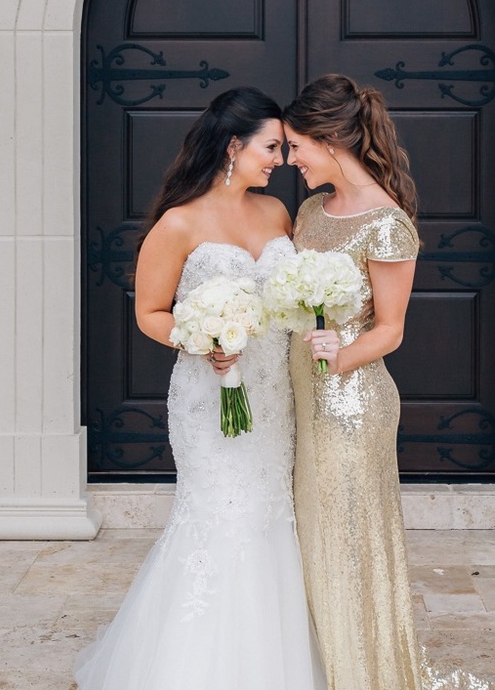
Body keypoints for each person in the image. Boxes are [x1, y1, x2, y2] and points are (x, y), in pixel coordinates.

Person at [74, 87, 325, 690]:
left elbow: (291, 295)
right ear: (233, 146)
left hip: (270, 393)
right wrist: (204, 340)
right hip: (208, 395)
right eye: (271, 147)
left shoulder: (276, 214)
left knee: (269, 514)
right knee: (220, 516)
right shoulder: (178, 223)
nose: (280, 160)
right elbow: (151, 312)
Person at [283, 74, 489, 690]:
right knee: (309, 534)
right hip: (299, 394)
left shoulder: (388, 223)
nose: (291, 160)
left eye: (297, 146)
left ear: (328, 140)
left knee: (348, 540)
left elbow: (391, 330)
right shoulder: (311, 211)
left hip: (351, 403)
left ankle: (363, 672)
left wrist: (338, 354)